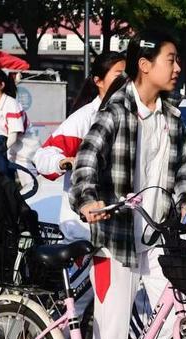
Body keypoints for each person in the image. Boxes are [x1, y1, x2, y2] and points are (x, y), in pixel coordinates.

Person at [69, 30, 186, 339]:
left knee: (180, 314)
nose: (177, 68)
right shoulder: (115, 111)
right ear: (145, 64)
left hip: (158, 240)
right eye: (170, 60)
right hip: (116, 240)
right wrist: (88, 199)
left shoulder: (172, 117)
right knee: (111, 330)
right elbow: (87, 161)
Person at [34, 52, 126, 242]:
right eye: (119, 76)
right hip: (87, 232)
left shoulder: (135, 116)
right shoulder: (84, 118)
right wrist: (62, 162)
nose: (126, 82)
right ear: (98, 81)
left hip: (125, 228)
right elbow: (43, 156)